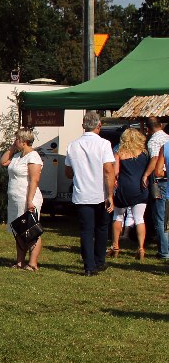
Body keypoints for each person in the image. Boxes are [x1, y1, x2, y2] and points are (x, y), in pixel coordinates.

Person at [65, 111, 115, 276]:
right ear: (99, 125)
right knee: (101, 228)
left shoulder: (73, 145)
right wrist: (110, 195)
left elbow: (68, 172)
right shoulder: (104, 144)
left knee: (86, 231)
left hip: (82, 193)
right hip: (99, 193)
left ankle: (89, 266)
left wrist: (80, 173)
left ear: (83, 126)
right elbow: (108, 170)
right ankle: (99, 260)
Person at [1, 129, 45, 270]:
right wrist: (12, 149)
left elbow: (34, 179)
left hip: (27, 197)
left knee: (31, 230)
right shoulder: (18, 156)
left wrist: (30, 200)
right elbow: (3, 162)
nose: (15, 142)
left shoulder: (33, 157)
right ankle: (20, 261)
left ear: (24, 141)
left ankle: (33, 262)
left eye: (17, 140)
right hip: (15, 198)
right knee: (18, 230)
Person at [110, 128, 149, 259]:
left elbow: (115, 172)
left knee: (118, 216)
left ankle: (115, 245)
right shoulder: (144, 153)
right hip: (140, 188)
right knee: (139, 218)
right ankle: (141, 248)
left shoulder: (119, 153)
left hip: (124, 188)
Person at [141, 117, 169, 259]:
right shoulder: (166, 137)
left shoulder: (153, 141)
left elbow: (154, 160)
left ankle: (164, 250)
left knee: (159, 216)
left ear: (148, 128)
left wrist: (145, 175)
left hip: (159, 181)